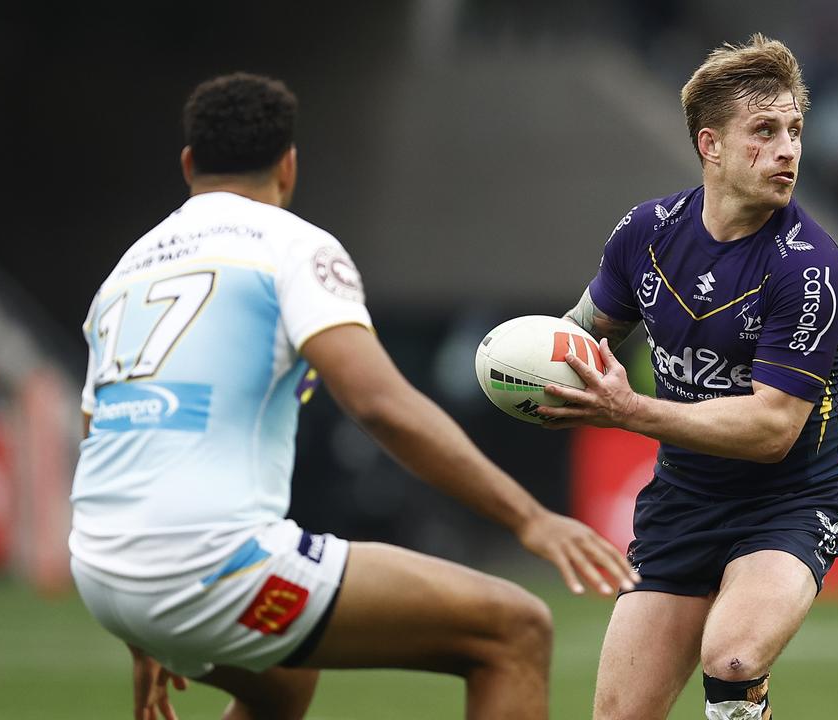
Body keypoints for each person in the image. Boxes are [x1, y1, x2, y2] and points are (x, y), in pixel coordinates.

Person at [69, 72, 638, 720]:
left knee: (284, 681)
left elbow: (100, 433)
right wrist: (529, 519)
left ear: (188, 164)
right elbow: (379, 404)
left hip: (101, 564)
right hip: (211, 565)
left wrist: (141, 632)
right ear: (289, 166)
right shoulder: (291, 246)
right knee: (514, 629)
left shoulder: (127, 271)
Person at [539, 35, 838, 720]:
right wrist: (529, 366)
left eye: (796, 131)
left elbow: (772, 429)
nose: (788, 150)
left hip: (790, 501)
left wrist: (629, 411)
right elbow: (583, 333)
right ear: (710, 145)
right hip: (683, 501)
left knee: (734, 659)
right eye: (765, 131)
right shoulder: (646, 233)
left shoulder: (809, 268)